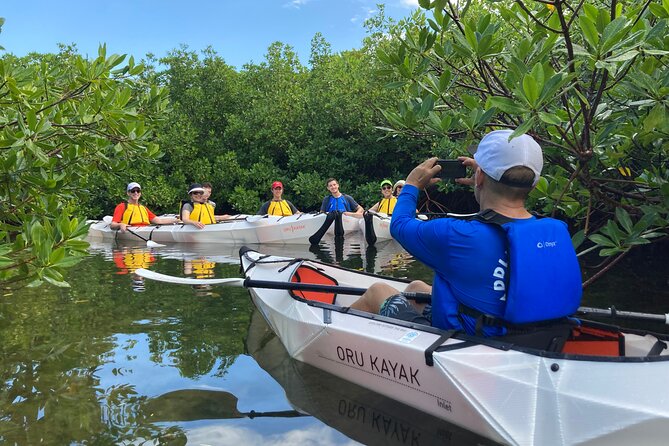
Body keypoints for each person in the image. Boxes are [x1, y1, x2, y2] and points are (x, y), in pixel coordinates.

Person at [350, 130, 582, 342]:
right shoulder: (555, 229)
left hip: (470, 343)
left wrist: (411, 185)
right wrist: (483, 183)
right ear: (534, 185)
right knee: (418, 287)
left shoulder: (455, 235)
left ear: (479, 176)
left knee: (377, 291)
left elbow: (399, 225)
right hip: (534, 336)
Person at [111, 182, 178, 232]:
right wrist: (120, 225)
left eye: (138, 191)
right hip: (131, 230)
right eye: (133, 191)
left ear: (140, 193)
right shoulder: (121, 206)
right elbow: (113, 225)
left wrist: (177, 220)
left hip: (144, 230)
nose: (136, 193)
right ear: (128, 193)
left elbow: (158, 220)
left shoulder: (143, 208)